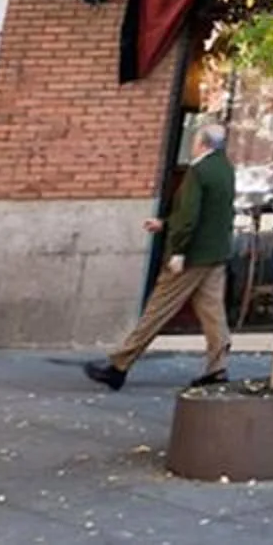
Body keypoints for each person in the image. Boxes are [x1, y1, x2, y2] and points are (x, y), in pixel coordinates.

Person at [84, 121, 234, 392]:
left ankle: (119, 364)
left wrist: (177, 249)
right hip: (215, 254)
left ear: (202, 143)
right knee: (213, 313)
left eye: (195, 139)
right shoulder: (225, 169)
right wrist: (165, 223)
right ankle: (218, 367)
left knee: (157, 309)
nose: (192, 144)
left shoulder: (198, 172)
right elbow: (209, 213)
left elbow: (189, 217)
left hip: (192, 256)